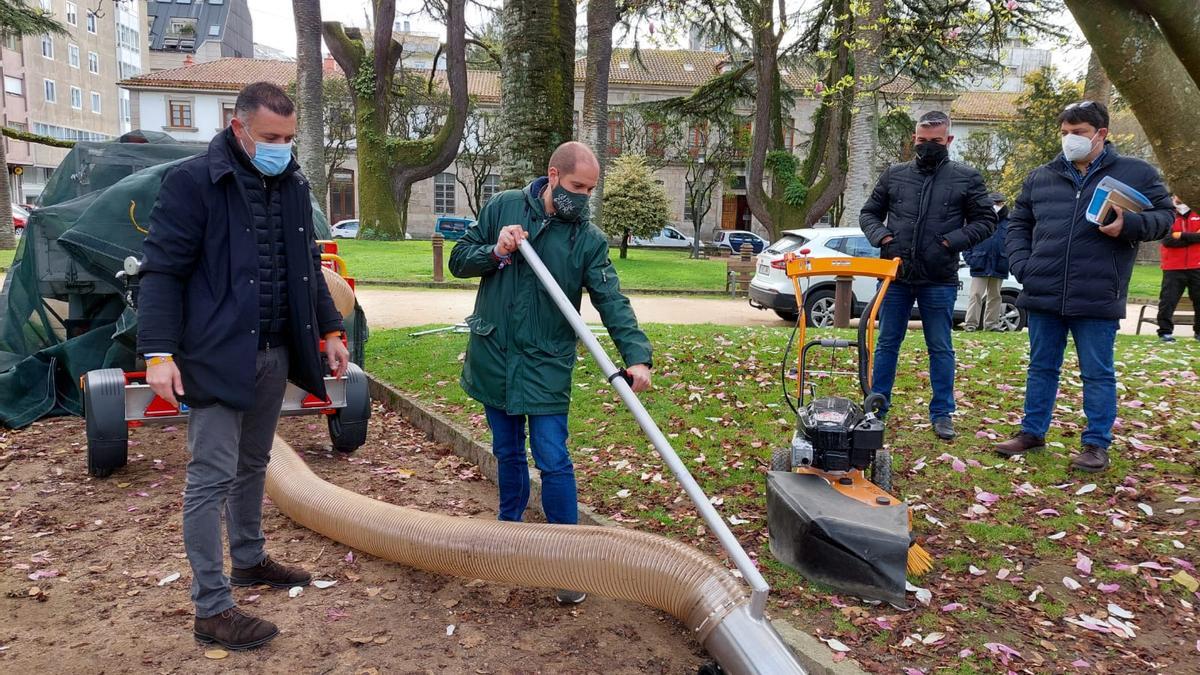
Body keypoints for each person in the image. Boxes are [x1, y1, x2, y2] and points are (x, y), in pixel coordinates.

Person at [138, 82, 349, 649]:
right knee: (210, 477)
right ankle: (211, 609)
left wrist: (330, 328)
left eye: (289, 137)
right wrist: (157, 352)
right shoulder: (192, 183)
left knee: (254, 462)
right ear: (239, 128)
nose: (282, 147)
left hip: (274, 351)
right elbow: (162, 272)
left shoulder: (292, 182)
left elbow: (305, 265)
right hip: (214, 354)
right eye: (271, 137)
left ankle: (250, 560)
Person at [449, 142, 653, 606]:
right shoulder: (504, 207)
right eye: (578, 187)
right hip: (495, 355)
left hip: (545, 363)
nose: (583, 198)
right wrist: (496, 250)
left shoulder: (587, 239)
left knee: (553, 458)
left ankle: (567, 558)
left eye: (591, 190)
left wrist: (636, 355)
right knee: (506, 451)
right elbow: (459, 260)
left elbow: (611, 300)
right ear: (553, 175)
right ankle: (510, 536)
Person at [995, 100, 1173, 472]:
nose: (1070, 140)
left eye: (1078, 134)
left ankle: (1095, 444)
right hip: (1043, 290)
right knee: (1041, 366)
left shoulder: (1135, 173)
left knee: (1097, 371)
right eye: (1065, 134)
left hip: (1097, 292)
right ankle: (1032, 431)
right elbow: (1018, 224)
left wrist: (1131, 225)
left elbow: (1165, 217)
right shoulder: (1041, 176)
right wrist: (1023, 264)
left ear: (1101, 134)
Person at [860, 110, 996, 440]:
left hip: (939, 276)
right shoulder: (894, 175)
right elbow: (869, 213)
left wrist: (950, 242)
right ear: (914, 139)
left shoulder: (967, 177)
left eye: (935, 141)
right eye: (922, 141)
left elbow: (986, 221)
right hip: (896, 275)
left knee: (940, 346)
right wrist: (884, 238)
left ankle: (942, 412)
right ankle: (877, 407)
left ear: (948, 140)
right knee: (888, 343)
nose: (928, 146)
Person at [962, 193, 1011, 331]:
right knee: (976, 294)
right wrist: (970, 259)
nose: (996, 205)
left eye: (999, 202)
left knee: (995, 296)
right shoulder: (979, 220)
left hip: (999, 262)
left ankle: (991, 324)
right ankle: (971, 324)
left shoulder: (1009, 222)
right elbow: (968, 241)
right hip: (980, 261)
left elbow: (1012, 243)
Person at [1155, 194, 1200, 342]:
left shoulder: (1197, 213)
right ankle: (1165, 332)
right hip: (1173, 267)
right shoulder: (1168, 214)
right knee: (1168, 301)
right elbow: (1167, 240)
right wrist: (1193, 237)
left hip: (1196, 265)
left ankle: (1198, 333)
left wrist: (1180, 235)